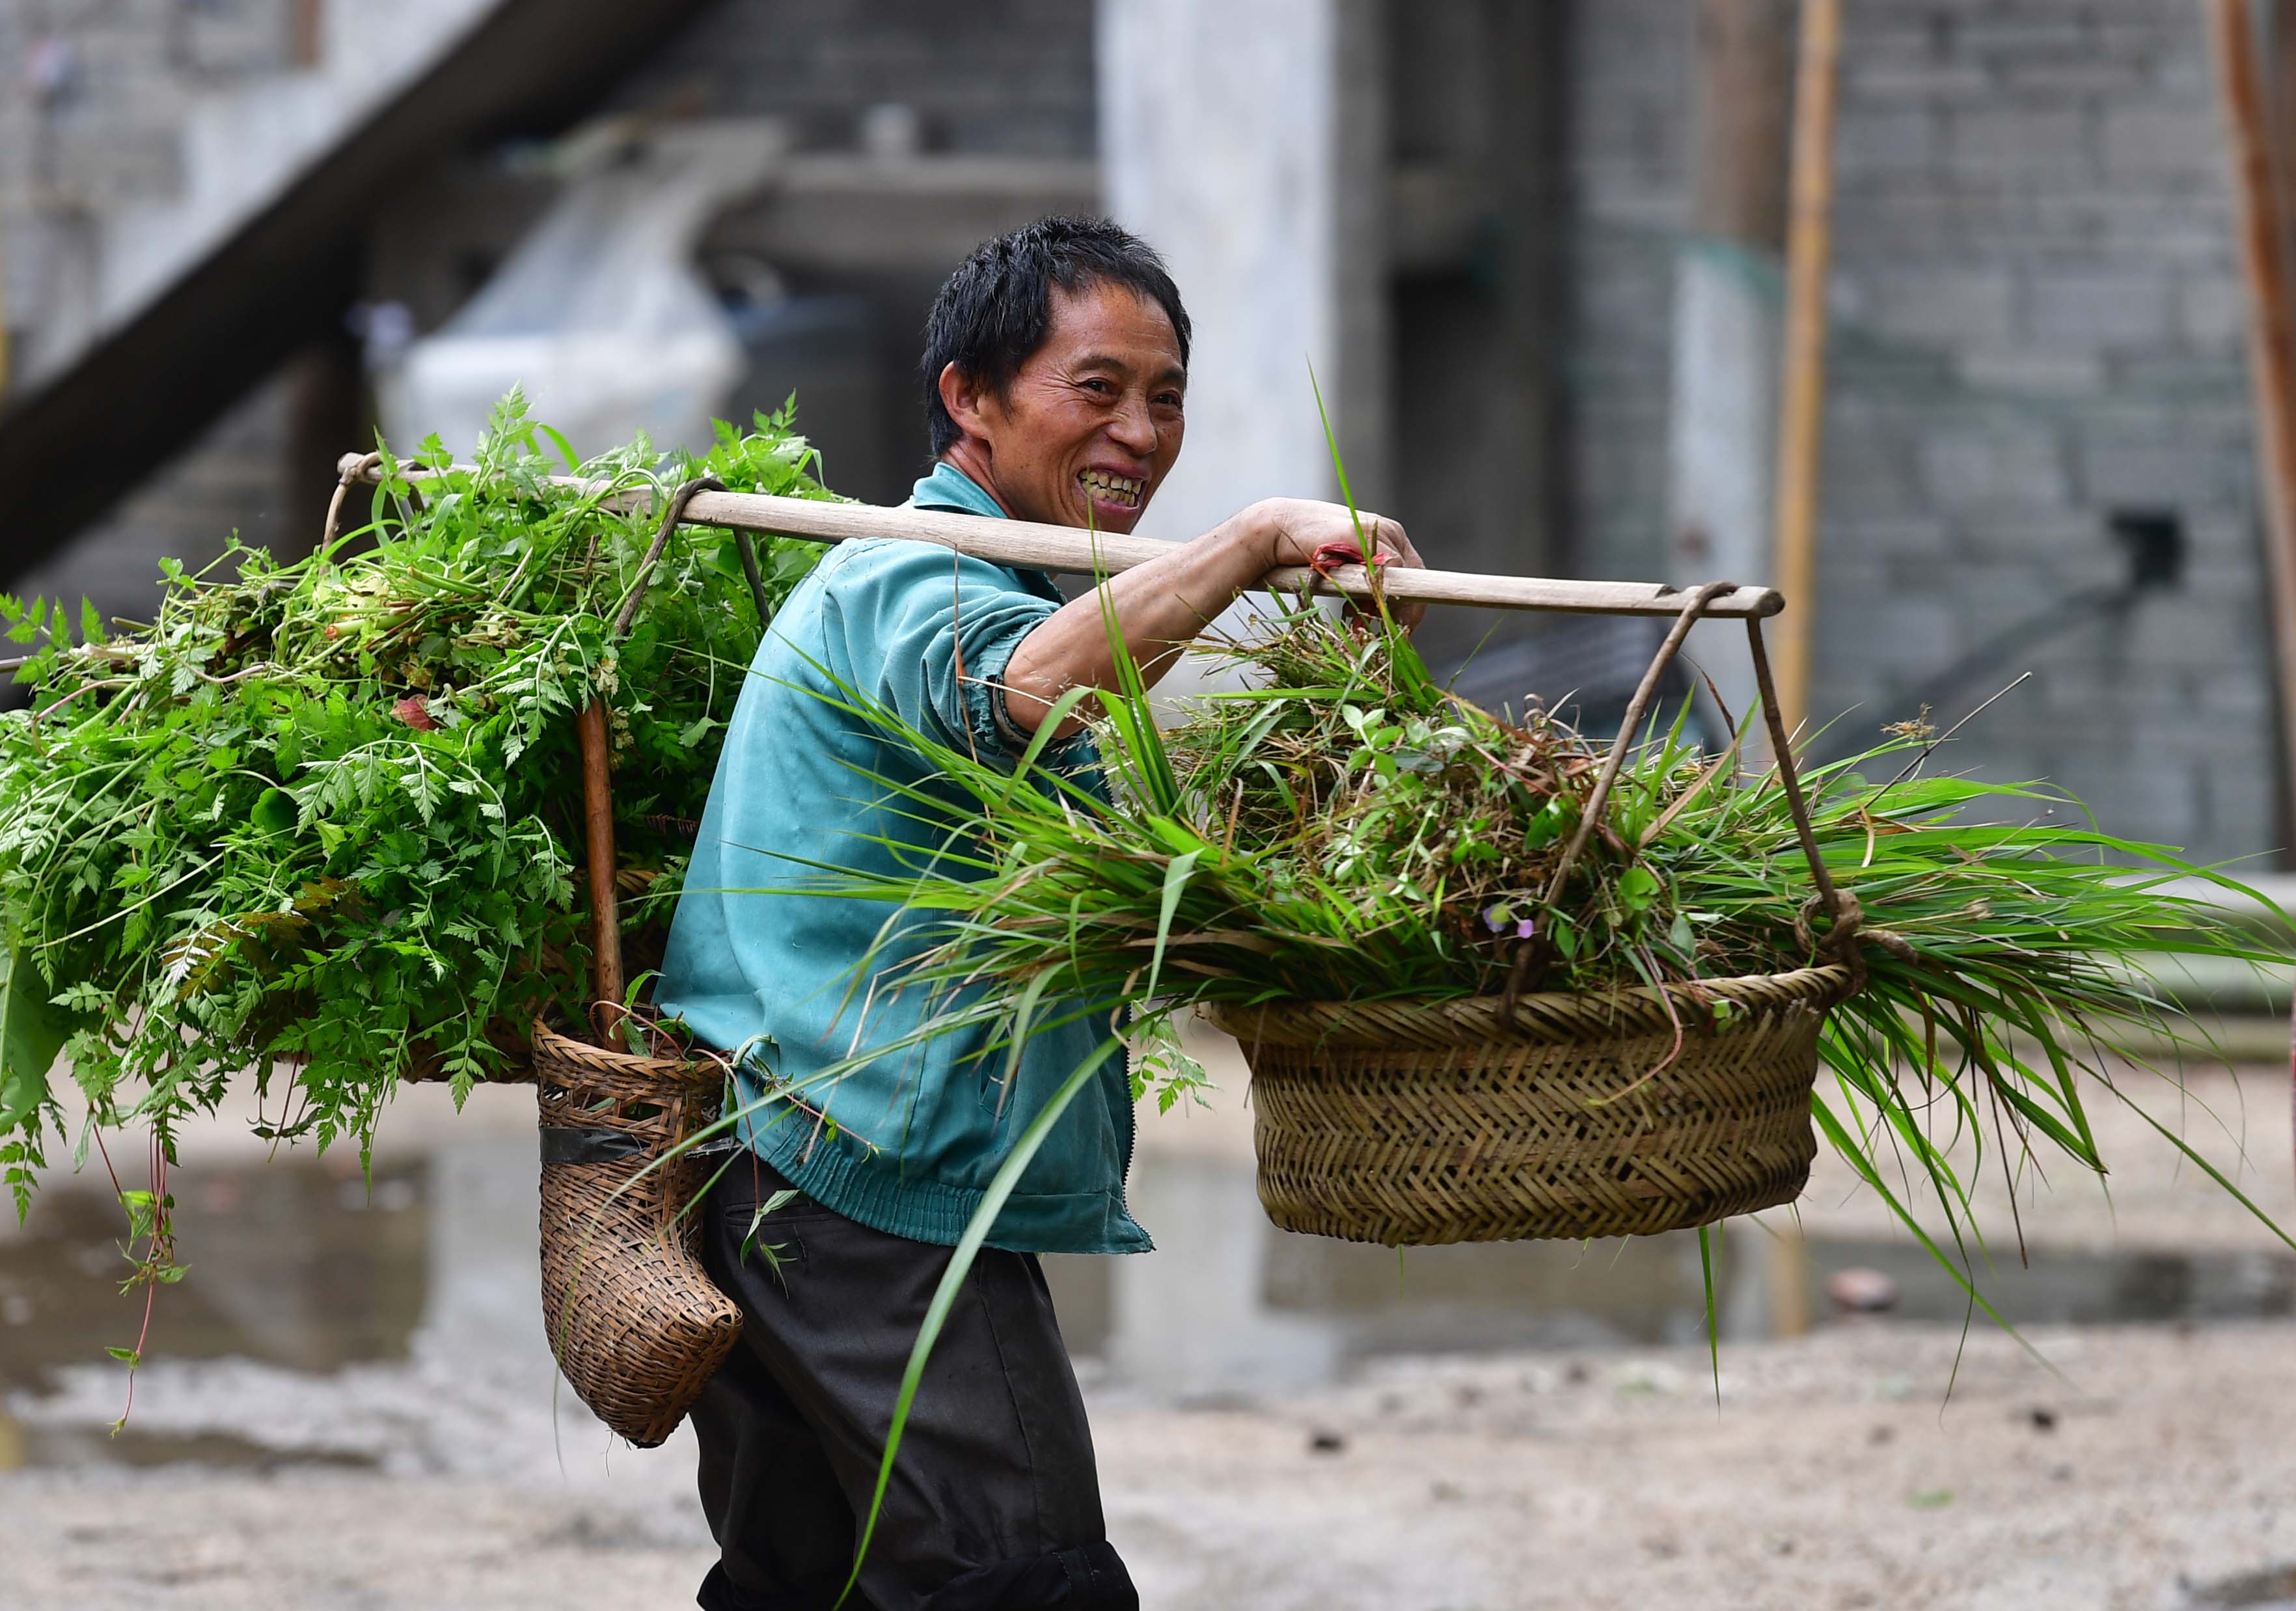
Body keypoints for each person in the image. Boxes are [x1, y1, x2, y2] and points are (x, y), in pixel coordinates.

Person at [655, 215, 1424, 1611]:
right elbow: (1021, 684)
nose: (1140, 430)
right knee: (1026, 1579)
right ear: (971, 397)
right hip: (858, 1189)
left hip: (773, 1174)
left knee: (810, 1579)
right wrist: (1251, 539)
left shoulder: (982, 575)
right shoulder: (908, 571)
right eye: (1098, 388)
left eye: (1167, 395)